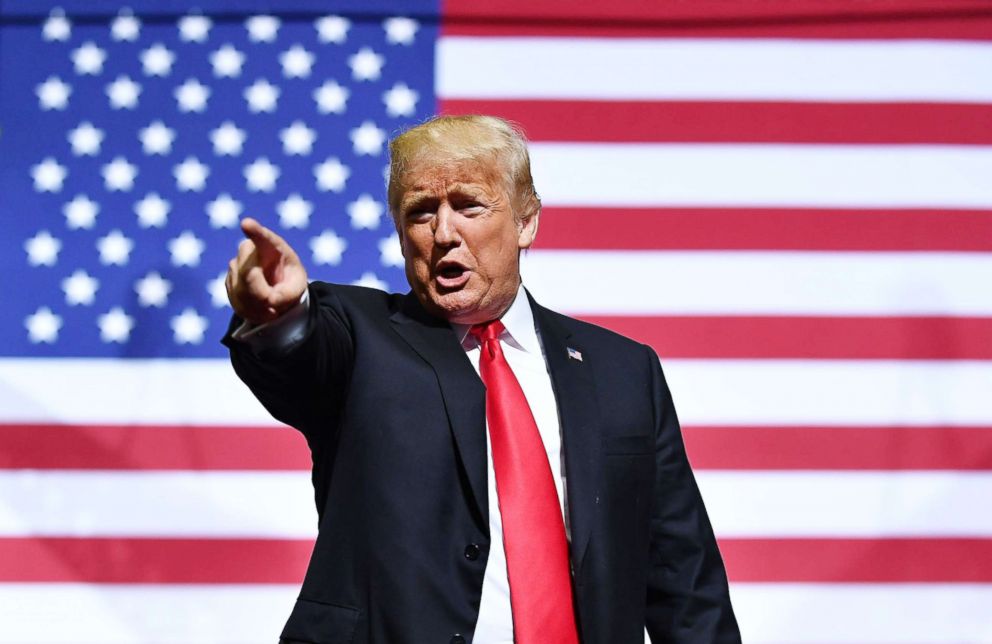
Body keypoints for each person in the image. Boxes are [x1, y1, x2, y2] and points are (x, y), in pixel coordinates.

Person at [223, 115, 740, 644]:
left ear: (526, 221)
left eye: (468, 205)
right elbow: (302, 356)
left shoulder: (623, 371)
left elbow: (685, 578)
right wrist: (279, 316)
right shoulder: (358, 339)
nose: (444, 233)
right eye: (420, 213)